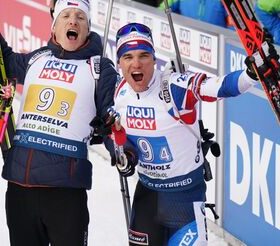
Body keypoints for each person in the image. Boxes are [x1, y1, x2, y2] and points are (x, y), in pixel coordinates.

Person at [0, 0, 118, 245]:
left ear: (88, 28)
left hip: (65, 189)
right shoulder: (38, 58)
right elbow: (2, 62)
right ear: (54, 26)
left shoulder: (100, 68)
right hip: (20, 185)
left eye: (81, 17)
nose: (73, 21)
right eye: (66, 16)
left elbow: (111, 117)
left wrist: (120, 149)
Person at [112, 23, 261, 246]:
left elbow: (219, 87)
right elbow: (112, 132)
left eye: (144, 55)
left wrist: (251, 74)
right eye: (128, 57)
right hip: (147, 196)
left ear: (154, 59)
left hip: (185, 200)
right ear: (119, 63)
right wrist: (126, 157)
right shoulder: (118, 91)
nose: (136, 63)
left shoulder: (173, 88)